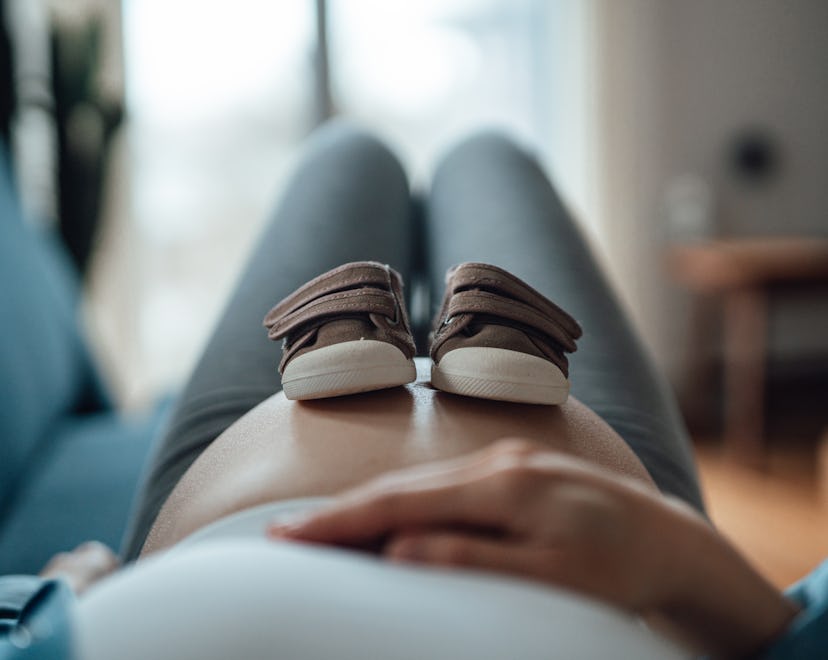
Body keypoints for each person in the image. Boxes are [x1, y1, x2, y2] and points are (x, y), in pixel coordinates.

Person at [4, 122, 826, 659]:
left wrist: (54, 617)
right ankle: (466, 313)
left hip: (226, 507)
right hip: (604, 507)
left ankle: (415, 312)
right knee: (487, 157)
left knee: (351, 155)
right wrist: (678, 558)